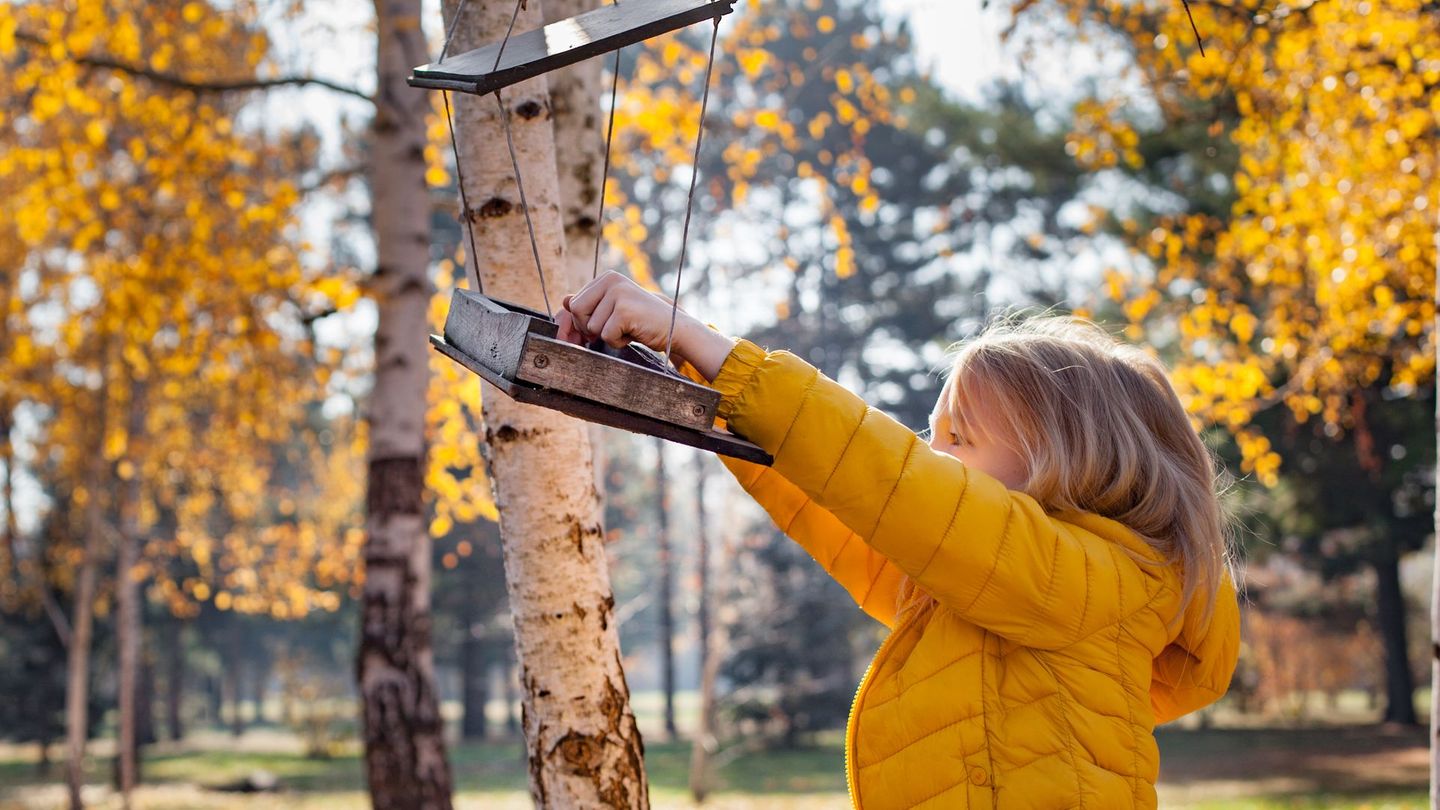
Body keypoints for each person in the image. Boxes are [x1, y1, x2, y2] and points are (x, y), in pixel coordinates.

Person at [557, 271, 1241, 809]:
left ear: (1066, 460)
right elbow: (844, 501)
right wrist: (690, 377)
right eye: (930, 435)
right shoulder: (972, 586)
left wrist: (712, 349)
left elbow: (890, 481)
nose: (931, 456)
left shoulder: (1082, 581)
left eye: (958, 439)